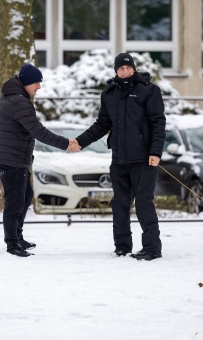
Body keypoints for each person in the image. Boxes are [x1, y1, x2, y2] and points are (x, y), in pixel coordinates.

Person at [72, 53, 166, 261]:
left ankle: (152, 248)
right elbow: (102, 125)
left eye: (128, 68)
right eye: (121, 68)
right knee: (120, 203)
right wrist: (80, 141)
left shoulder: (148, 91)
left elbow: (158, 122)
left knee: (143, 203)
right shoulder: (109, 93)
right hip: (119, 159)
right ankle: (122, 246)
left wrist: (155, 152)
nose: (125, 71)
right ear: (116, 70)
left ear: (134, 69)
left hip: (144, 159)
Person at [0, 63, 76, 257]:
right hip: (12, 160)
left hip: (15, 159)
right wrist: (66, 144)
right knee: (15, 202)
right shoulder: (19, 102)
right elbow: (38, 131)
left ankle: (17, 236)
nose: (38, 87)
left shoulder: (13, 97)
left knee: (24, 197)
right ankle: (12, 243)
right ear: (26, 82)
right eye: (36, 83)